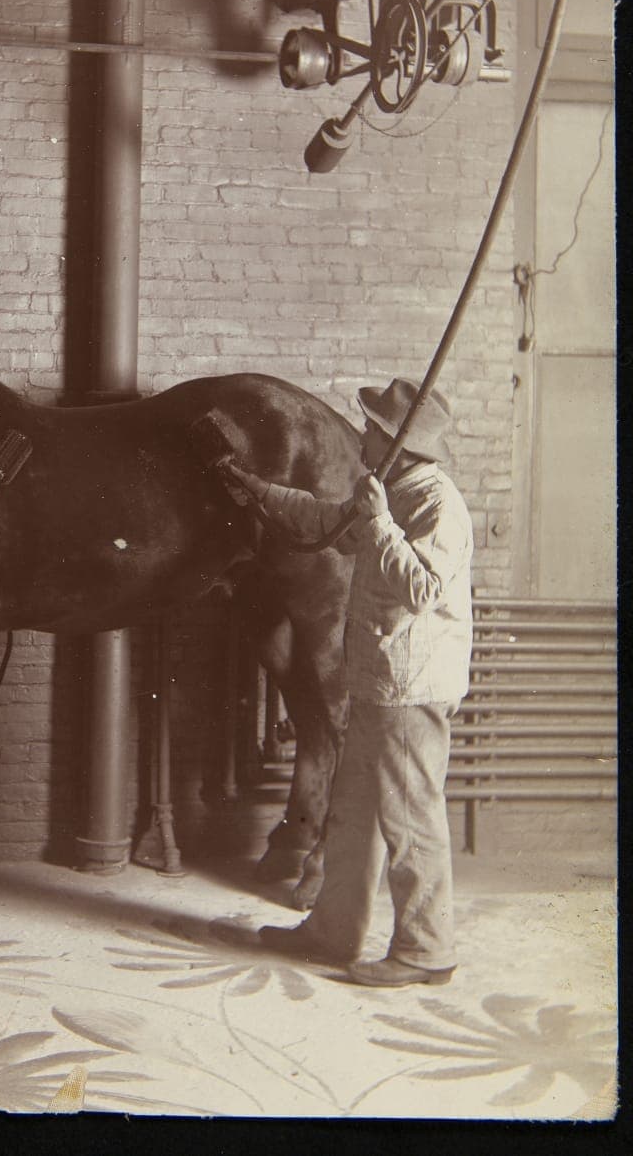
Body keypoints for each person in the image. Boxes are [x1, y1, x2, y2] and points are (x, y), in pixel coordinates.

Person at [219, 378, 474, 988]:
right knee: (353, 813)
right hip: (377, 681)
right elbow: (325, 520)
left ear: (395, 441)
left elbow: (422, 589)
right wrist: (258, 492)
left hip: (412, 688)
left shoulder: (437, 504)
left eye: (371, 426)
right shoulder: (392, 490)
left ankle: (425, 950)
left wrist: (382, 523)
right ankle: (334, 931)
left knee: (410, 820)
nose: (361, 432)